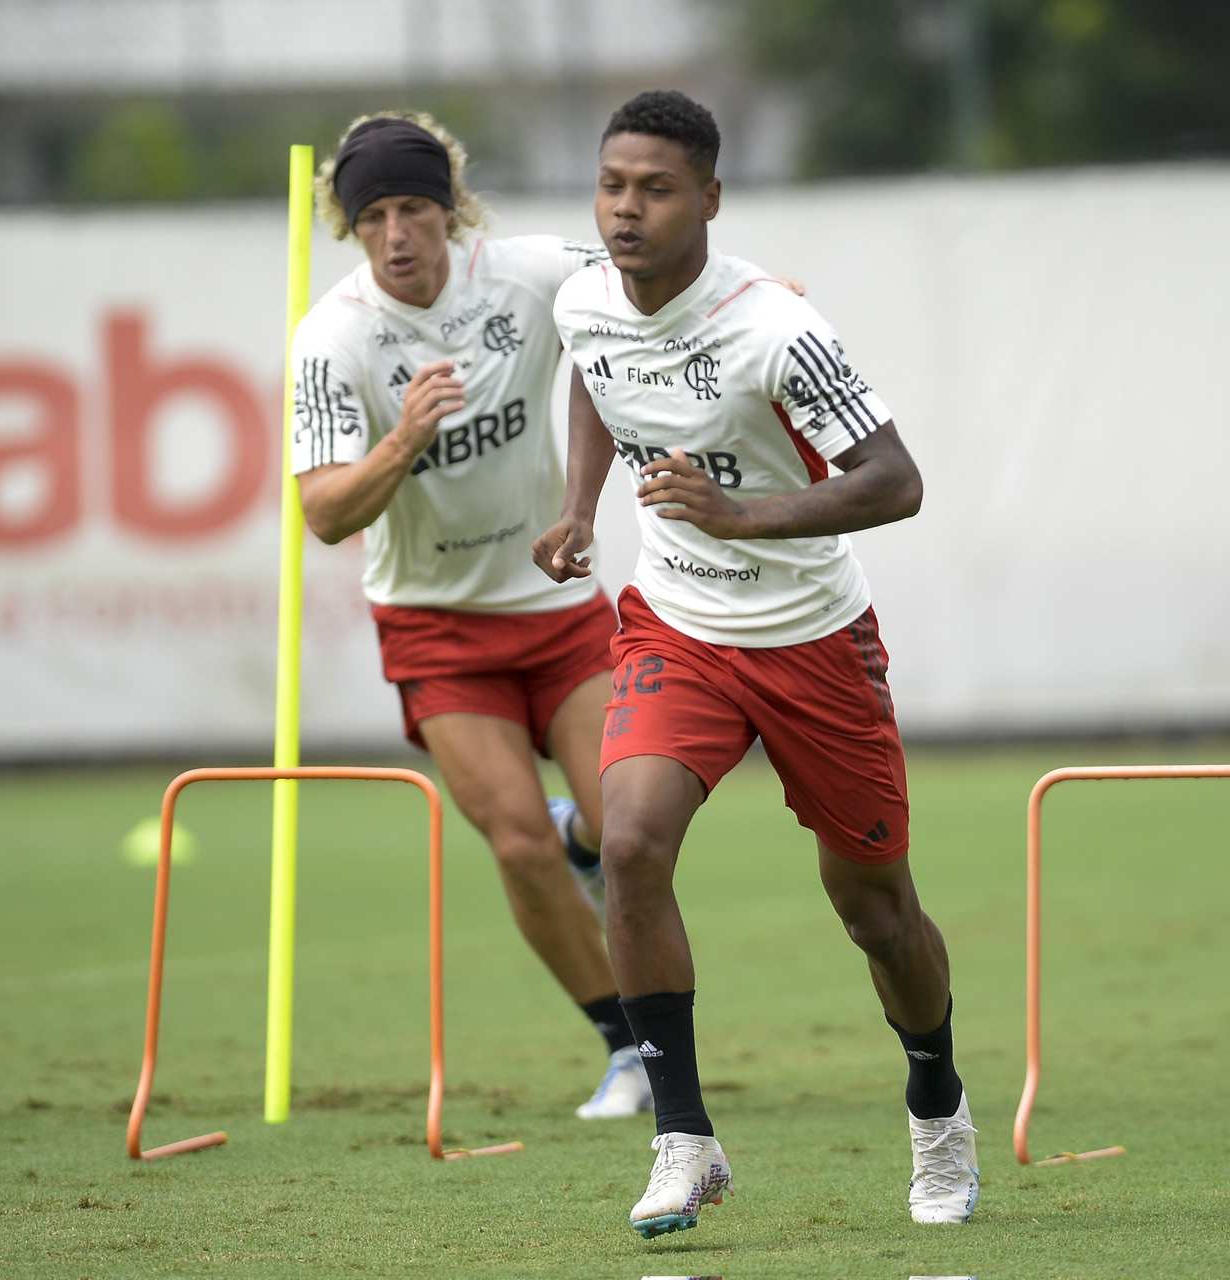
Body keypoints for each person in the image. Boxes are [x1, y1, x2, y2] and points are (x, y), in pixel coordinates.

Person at [533, 90, 979, 1236]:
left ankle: (935, 1099)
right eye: (612, 185)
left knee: (874, 910)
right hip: (675, 625)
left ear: (709, 201)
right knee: (624, 837)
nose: (627, 209)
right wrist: (578, 504)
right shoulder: (583, 297)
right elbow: (592, 370)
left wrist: (739, 517)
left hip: (813, 640)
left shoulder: (773, 324)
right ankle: (683, 1137)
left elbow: (895, 480)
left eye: (656, 188)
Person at [289, 109, 651, 1119]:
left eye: (413, 209)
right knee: (516, 839)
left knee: (632, 830)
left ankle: (590, 835)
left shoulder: (529, 273)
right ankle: (626, 1045)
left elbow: (650, 269)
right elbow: (323, 514)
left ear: (449, 212)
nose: (396, 234)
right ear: (349, 227)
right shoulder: (331, 338)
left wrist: (752, 295)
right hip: (436, 625)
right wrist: (401, 440)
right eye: (373, 217)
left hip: (558, 605)